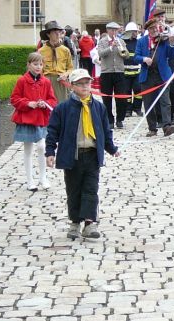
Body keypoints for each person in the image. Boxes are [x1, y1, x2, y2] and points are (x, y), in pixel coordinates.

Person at [45, 69, 119, 240]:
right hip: (73, 156)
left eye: (87, 83)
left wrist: (112, 148)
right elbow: (53, 131)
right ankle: (75, 222)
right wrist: (50, 151)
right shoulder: (63, 108)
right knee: (74, 190)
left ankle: (89, 223)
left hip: (92, 155)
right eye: (81, 84)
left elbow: (105, 131)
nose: (85, 87)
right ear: (72, 86)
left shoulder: (98, 107)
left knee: (91, 190)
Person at [10, 52, 58, 191]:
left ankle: (43, 177)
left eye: (41, 64)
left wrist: (45, 103)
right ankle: (30, 180)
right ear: (28, 65)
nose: (38, 67)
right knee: (28, 150)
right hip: (27, 119)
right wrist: (28, 103)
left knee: (42, 146)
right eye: (35, 64)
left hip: (42, 119)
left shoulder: (46, 82)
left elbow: (53, 100)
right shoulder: (22, 81)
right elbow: (14, 98)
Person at [135, 18, 174, 137]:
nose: (154, 30)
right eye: (152, 28)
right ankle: (152, 128)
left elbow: (171, 55)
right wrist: (144, 59)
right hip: (147, 76)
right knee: (148, 103)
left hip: (162, 75)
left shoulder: (163, 40)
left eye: (156, 28)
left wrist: (172, 43)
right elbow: (136, 56)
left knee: (165, 101)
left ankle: (167, 126)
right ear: (148, 30)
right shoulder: (142, 41)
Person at [97, 22, 128, 129]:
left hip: (119, 72)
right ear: (108, 30)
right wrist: (111, 47)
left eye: (116, 30)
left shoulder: (121, 41)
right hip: (106, 73)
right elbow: (100, 54)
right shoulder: (102, 41)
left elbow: (126, 55)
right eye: (112, 30)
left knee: (121, 97)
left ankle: (120, 119)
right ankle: (109, 120)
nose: (114, 32)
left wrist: (121, 49)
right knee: (107, 99)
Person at [39, 20, 73, 102]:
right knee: (48, 107)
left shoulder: (65, 50)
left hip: (61, 81)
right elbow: (39, 70)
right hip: (46, 81)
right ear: (48, 34)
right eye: (54, 32)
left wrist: (65, 74)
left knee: (62, 106)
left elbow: (70, 68)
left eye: (59, 32)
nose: (58, 34)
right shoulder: (41, 51)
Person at [122, 22, 143, 117]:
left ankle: (137, 108)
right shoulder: (122, 42)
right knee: (126, 92)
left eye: (136, 31)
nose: (135, 33)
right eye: (134, 31)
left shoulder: (139, 41)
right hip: (125, 71)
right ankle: (128, 110)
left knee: (139, 90)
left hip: (137, 71)